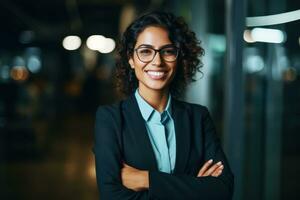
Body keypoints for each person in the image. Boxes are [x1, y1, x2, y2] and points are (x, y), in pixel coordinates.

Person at [94, 11, 234, 200]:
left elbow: (222, 189)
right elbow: (111, 196)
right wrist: (194, 188)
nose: (157, 61)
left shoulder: (198, 117)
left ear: (179, 57)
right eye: (145, 51)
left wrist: (146, 179)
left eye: (167, 51)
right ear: (131, 59)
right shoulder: (110, 119)